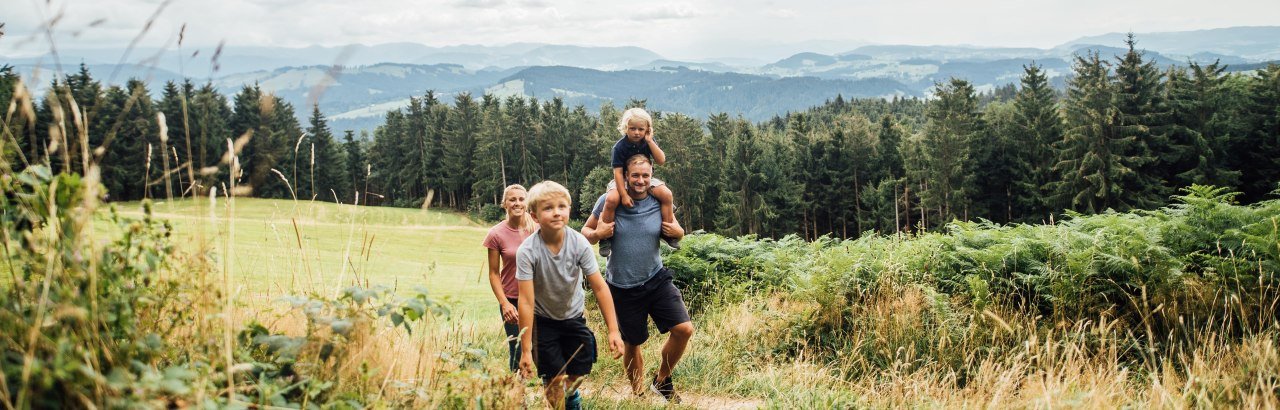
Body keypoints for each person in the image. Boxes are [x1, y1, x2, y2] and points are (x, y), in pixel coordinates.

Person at [581, 154, 693, 404]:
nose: (640, 181)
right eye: (635, 175)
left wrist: (680, 232)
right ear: (625, 177)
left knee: (684, 329)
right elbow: (585, 232)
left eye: (645, 175)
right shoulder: (609, 201)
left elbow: (676, 230)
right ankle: (639, 395)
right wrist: (598, 232)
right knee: (633, 343)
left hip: (656, 278)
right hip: (621, 286)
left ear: (652, 175)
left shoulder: (658, 198)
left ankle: (662, 380)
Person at [516, 181, 625, 410]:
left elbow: (599, 287)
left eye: (562, 206)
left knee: (578, 372)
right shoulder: (527, 251)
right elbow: (525, 301)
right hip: (543, 322)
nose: (556, 212)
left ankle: (571, 395)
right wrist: (526, 350)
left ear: (569, 209)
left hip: (574, 318)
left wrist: (613, 330)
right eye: (548, 208)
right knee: (554, 379)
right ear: (534, 216)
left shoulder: (579, 244)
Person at [598, 107, 679, 257]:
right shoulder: (619, 147)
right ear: (625, 128)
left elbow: (661, 160)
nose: (636, 132)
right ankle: (605, 238)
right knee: (611, 199)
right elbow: (617, 172)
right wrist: (623, 194)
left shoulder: (648, 141)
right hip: (623, 178)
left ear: (648, 129)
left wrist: (649, 141)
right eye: (632, 128)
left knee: (666, 194)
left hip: (644, 177)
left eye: (641, 129)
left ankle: (667, 231)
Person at [482, 184, 534, 373]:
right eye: (512, 199)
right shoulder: (496, 234)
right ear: (504, 204)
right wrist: (504, 304)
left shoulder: (538, 228)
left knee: (543, 348)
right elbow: (494, 273)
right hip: (512, 300)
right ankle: (517, 396)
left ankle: (550, 397)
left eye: (521, 199)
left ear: (527, 202)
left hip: (539, 299)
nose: (517, 203)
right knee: (518, 349)